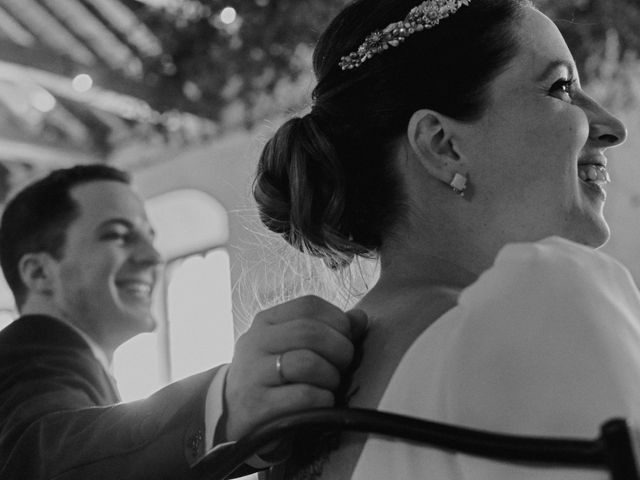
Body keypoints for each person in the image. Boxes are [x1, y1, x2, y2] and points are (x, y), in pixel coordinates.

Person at [254, 0, 640, 478]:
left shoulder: (290, 404)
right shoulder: (549, 304)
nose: (612, 127)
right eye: (561, 87)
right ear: (443, 144)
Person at [0, 164, 368, 480]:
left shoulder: (67, 363)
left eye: (149, 237)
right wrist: (221, 404)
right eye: (116, 235)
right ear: (38, 273)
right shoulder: (30, 363)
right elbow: (34, 457)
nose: (152, 257)